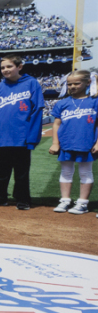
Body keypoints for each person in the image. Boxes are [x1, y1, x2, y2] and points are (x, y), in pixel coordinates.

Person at [0, 55, 44, 210]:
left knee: (21, 172)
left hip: (22, 137)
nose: (5, 70)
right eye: (2, 67)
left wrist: (32, 138)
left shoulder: (31, 83)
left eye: (9, 66)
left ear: (19, 67)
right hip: (2, 138)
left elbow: (37, 111)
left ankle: (22, 199)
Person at [48, 70, 98, 215]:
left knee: (85, 172)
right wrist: (55, 143)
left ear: (88, 82)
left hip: (86, 143)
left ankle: (82, 203)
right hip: (66, 143)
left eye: (77, 83)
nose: (73, 86)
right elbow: (56, 124)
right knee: (66, 172)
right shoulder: (63, 103)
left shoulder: (95, 101)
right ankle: (65, 200)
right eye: (69, 84)